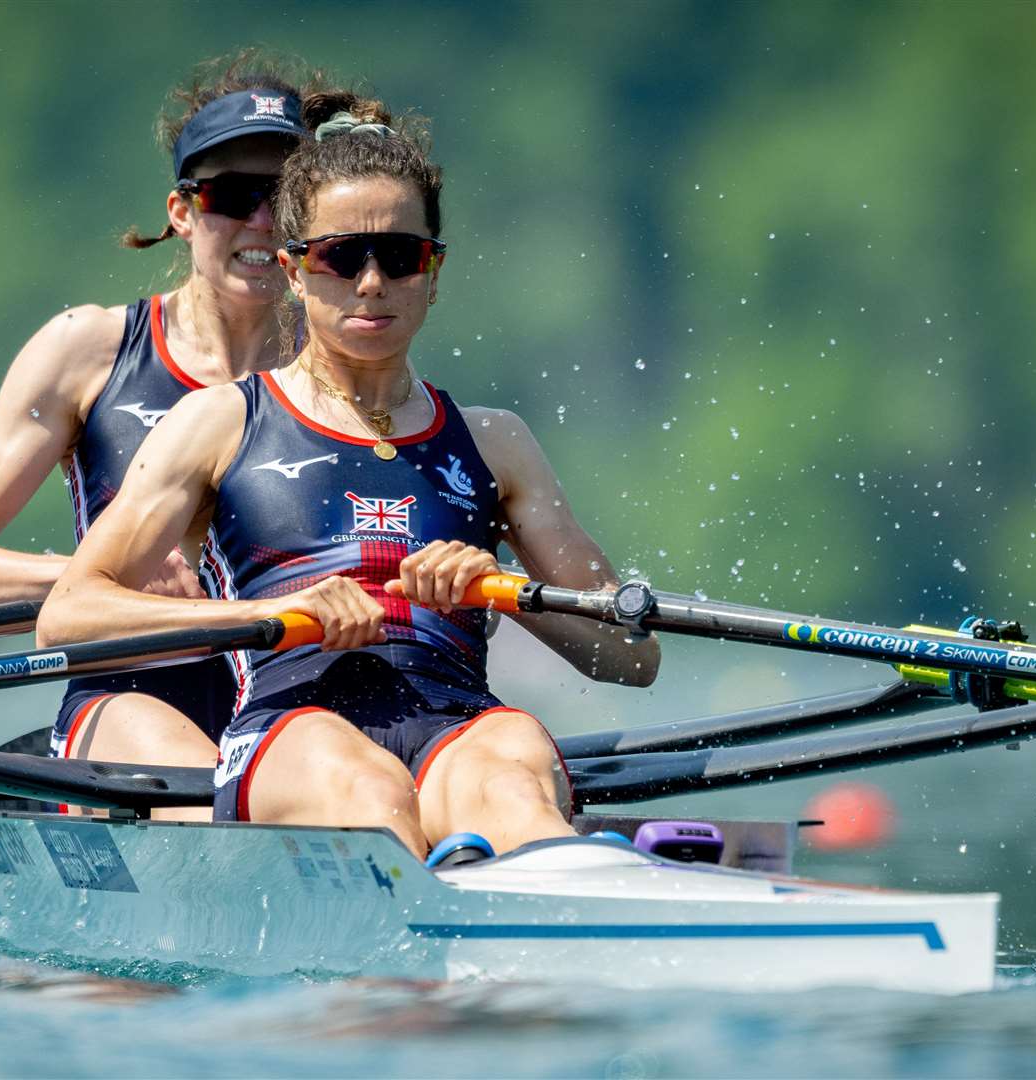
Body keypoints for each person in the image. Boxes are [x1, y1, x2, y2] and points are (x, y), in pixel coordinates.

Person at [38, 98, 660, 857]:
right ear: (297, 271)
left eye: (399, 256)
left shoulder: (497, 443)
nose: (371, 283)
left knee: (510, 784)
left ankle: (533, 903)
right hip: (293, 726)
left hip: (458, 719)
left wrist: (493, 583)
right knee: (367, 793)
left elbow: (630, 657)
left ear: (433, 273)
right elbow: (69, 617)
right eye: (340, 256)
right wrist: (272, 612)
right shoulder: (218, 422)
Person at [0, 52, 336, 814]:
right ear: (181, 212)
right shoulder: (91, 349)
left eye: (284, 197)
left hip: (292, 704)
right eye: (233, 196)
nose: (262, 221)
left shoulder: (343, 366)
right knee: (218, 809)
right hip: (133, 700)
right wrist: (90, 578)